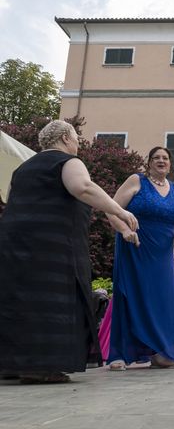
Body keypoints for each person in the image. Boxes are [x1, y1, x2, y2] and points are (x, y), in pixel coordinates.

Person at [0, 120, 138, 383]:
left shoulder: (21, 169)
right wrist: (119, 210)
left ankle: (13, 364)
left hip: (14, 245)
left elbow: (10, 199)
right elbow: (82, 188)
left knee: (19, 302)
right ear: (65, 138)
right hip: (52, 246)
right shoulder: (67, 162)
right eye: (75, 138)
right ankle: (42, 368)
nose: (77, 144)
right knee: (52, 300)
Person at [107, 146, 174, 370]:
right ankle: (119, 354)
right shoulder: (136, 181)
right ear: (149, 162)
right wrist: (124, 230)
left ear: (170, 164)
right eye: (156, 158)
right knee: (131, 295)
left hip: (162, 253)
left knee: (162, 299)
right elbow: (110, 209)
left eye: (165, 158)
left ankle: (160, 352)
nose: (161, 161)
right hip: (136, 246)